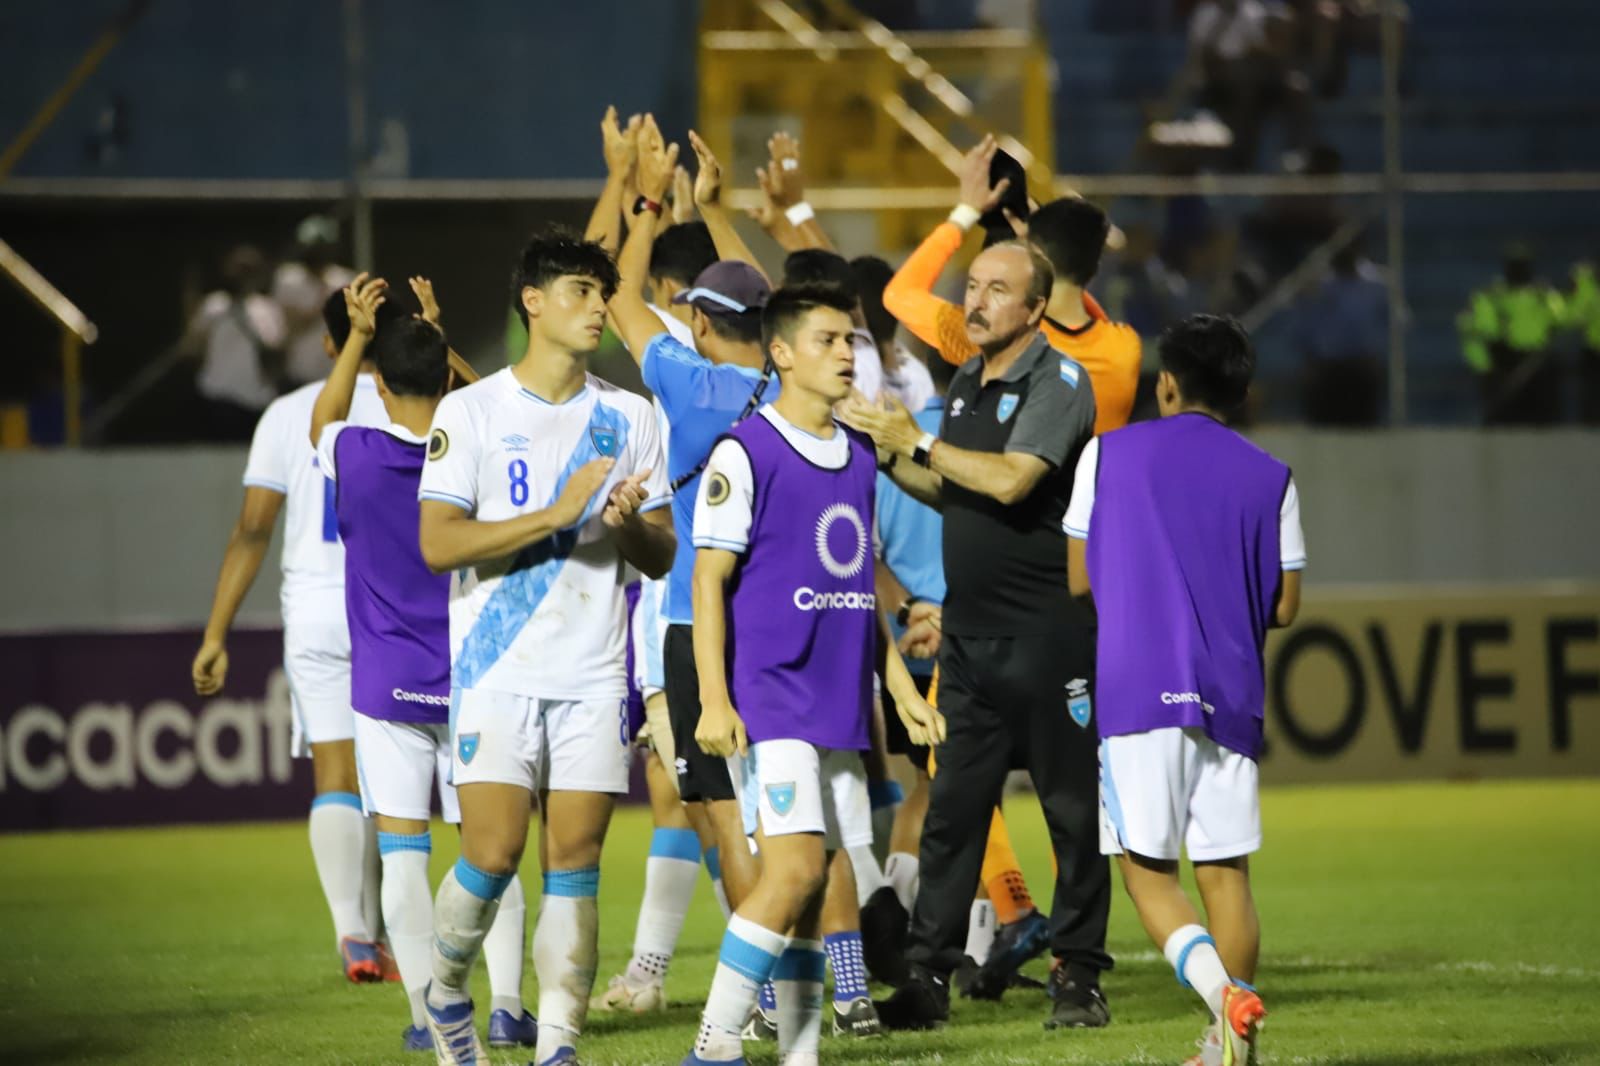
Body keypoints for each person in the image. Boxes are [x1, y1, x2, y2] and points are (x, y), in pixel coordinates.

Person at [415, 229, 674, 1066]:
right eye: (581, 291)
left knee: (576, 861)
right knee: (490, 856)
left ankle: (558, 1046)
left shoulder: (630, 416)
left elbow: (664, 553)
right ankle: (447, 991)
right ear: (534, 303)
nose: (600, 306)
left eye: (604, 293)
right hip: (495, 667)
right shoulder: (473, 411)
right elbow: (439, 544)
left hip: (595, 674)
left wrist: (628, 528)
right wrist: (557, 516)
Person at [845, 236, 1113, 1031]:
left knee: (1070, 812)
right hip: (969, 640)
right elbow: (953, 492)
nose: (978, 299)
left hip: (1050, 638)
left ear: (1035, 309)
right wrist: (887, 456)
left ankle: (1078, 976)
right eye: (974, 284)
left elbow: (1012, 479)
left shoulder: (1059, 381)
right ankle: (928, 976)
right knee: (955, 812)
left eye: (999, 289)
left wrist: (919, 441)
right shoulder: (967, 380)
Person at [680, 283, 946, 1066]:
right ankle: (713, 1044)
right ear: (783, 353)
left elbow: (857, 589)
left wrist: (898, 690)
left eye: (850, 342)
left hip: (839, 704)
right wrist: (715, 699)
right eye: (828, 341)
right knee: (794, 871)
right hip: (775, 697)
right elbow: (707, 582)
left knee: (816, 885)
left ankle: (799, 1058)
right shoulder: (746, 450)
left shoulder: (861, 454)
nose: (845, 355)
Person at [1064, 314, 1306, 1066]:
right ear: (1241, 391)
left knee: (1144, 871)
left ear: (1165, 383)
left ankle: (1222, 1002)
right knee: (1226, 874)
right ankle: (1233, 1047)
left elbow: (1079, 579)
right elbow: (1286, 605)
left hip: (1141, 690)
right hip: (1230, 690)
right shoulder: (1272, 475)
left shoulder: (1106, 454)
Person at [309, 276, 534, 1055]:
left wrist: (364, 339)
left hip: (383, 688)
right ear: (444, 376)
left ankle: (422, 1014)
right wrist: (441, 342)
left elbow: (323, 419)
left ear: (376, 380)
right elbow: (500, 407)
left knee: (405, 854)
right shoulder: (472, 453)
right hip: (474, 682)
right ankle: (505, 1004)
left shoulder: (356, 452)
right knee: (489, 851)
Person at [191, 283, 395, 983]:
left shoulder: (284, 414)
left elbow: (253, 530)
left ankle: (354, 932)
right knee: (392, 778)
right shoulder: (425, 401)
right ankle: (386, 930)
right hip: (393, 609)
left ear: (329, 342)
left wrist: (216, 632)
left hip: (314, 610)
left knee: (334, 774)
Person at [883, 136, 1141, 438]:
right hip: (1098, 487)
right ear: (1094, 267)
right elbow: (1086, 308)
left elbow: (899, 294)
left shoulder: (1001, 340)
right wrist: (1041, 247)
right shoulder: (1126, 347)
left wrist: (965, 212)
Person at [183, 244, 289, 442]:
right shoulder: (214, 305)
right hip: (218, 394)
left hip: (256, 397)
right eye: (238, 269)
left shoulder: (267, 308)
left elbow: (276, 348)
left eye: (248, 269)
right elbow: (193, 345)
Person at [1459, 248, 1565, 426]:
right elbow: (1474, 332)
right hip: (1504, 367)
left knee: (1542, 426)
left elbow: (1565, 318)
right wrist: (1486, 369)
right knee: (1505, 424)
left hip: (1538, 367)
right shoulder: (1491, 297)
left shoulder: (1544, 296)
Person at [1291, 243, 1386, 426]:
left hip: (1363, 368)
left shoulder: (1377, 285)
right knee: (1323, 430)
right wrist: (1309, 359)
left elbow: (1396, 325)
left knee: (1365, 432)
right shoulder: (1318, 287)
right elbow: (1303, 327)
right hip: (1327, 369)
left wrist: (1379, 354)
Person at [274, 214, 357, 385]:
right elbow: (292, 324)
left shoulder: (345, 278)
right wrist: (325, 296)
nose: (318, 254)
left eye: (323, 247)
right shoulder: (288, 278)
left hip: (335, 373)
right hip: (299, 374)